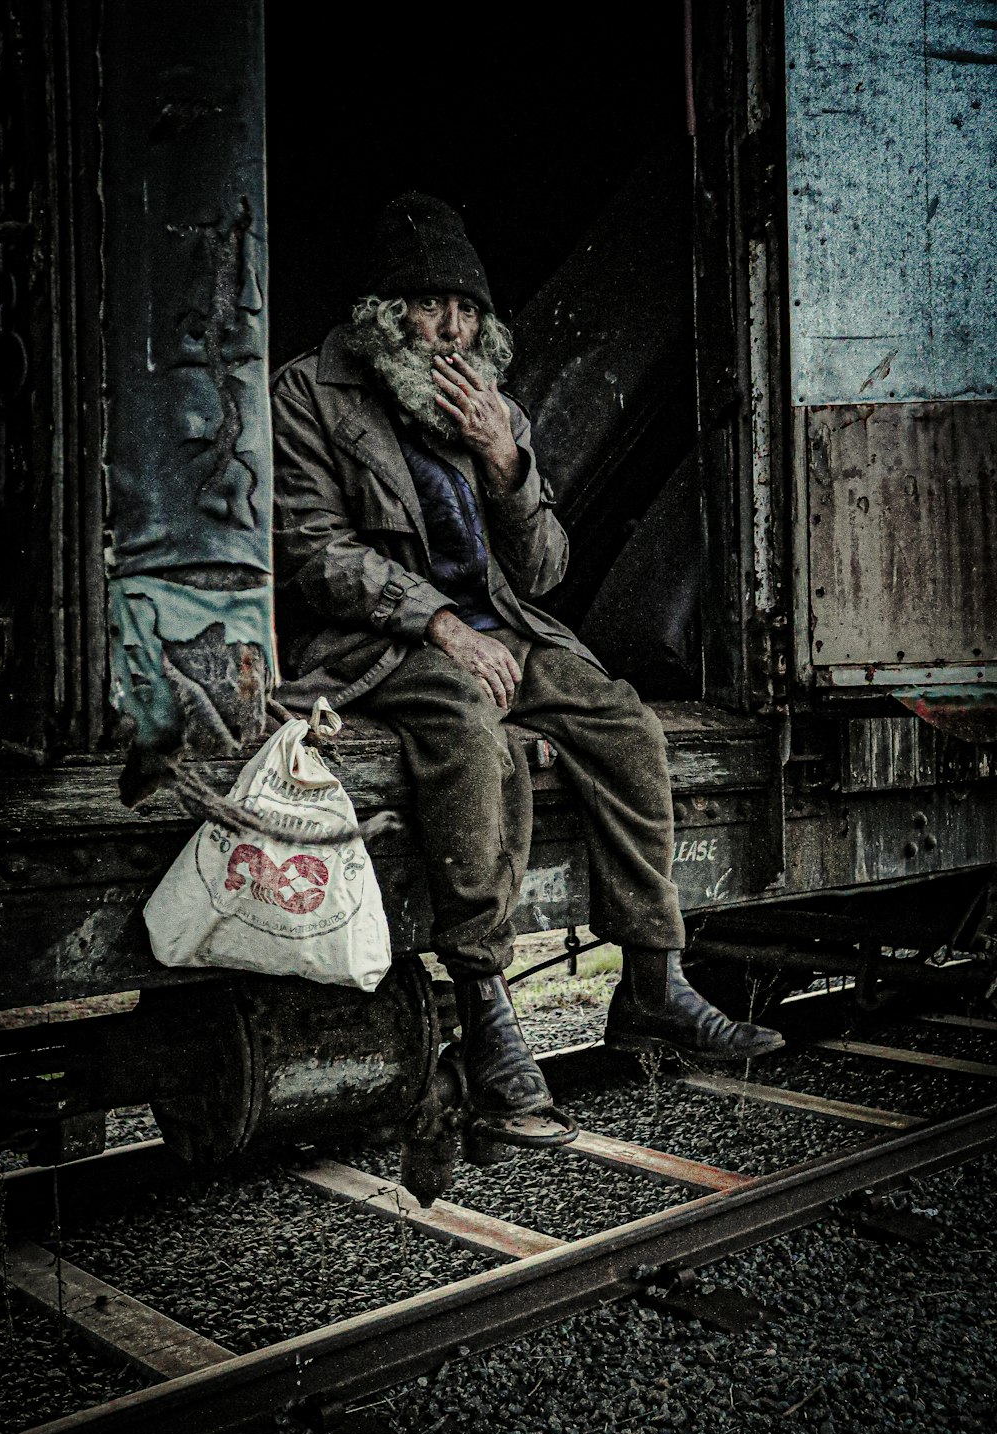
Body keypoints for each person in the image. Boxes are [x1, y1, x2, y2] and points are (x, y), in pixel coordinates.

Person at [271, 192, 783, 1146]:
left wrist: (506, 461)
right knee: (472, 736)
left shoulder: (486, 408)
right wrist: (440, 625)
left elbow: (545, 569)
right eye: (430, 308)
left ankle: (653, 982)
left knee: (623, 719)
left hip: (497, 628)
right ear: (383, 314)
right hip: (384, 645)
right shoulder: (308, 395)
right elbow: (313, 552)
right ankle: (487, 1014)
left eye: (467, 312)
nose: (452, 330)